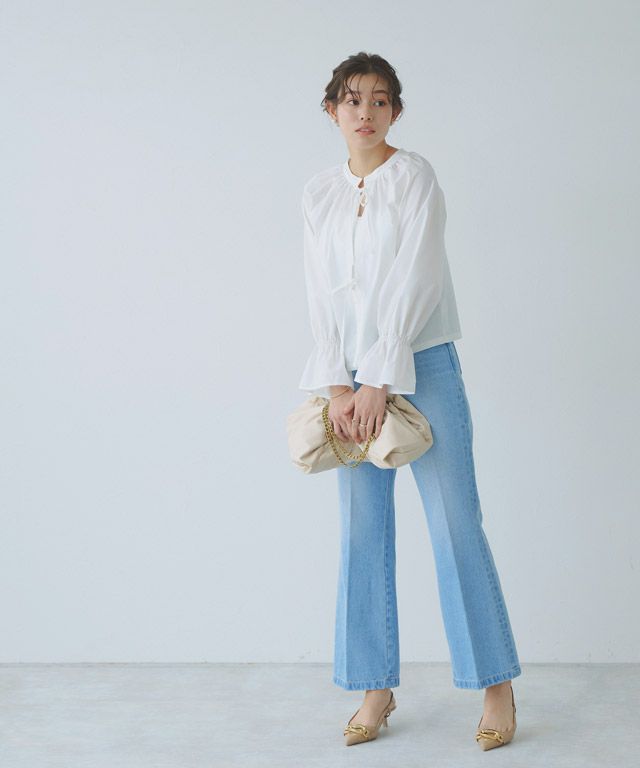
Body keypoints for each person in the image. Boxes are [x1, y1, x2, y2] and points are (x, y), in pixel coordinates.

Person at [298, 52, 521, 750]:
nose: (365, 112)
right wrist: (340, 382)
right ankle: (375, 686)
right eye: (352, 99)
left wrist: (379, 377)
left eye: (380, 100)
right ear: (331, 109)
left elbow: (417, 276)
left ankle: (494, 684)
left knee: (456, 523)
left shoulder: (415, 177)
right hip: (348, 378)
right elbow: (318, 290)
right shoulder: (318, 193)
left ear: (395, 111)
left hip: (420, 364)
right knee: (361, 530)